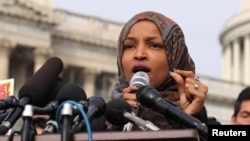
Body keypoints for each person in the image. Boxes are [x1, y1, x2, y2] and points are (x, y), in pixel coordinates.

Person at [108, 11, 220, 134]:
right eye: (129, 46)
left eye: (154, 45)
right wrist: (118, 119)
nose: (139, 54)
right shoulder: (98, 119)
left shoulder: (208, 125)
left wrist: (191, 118)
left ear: (174, 57)